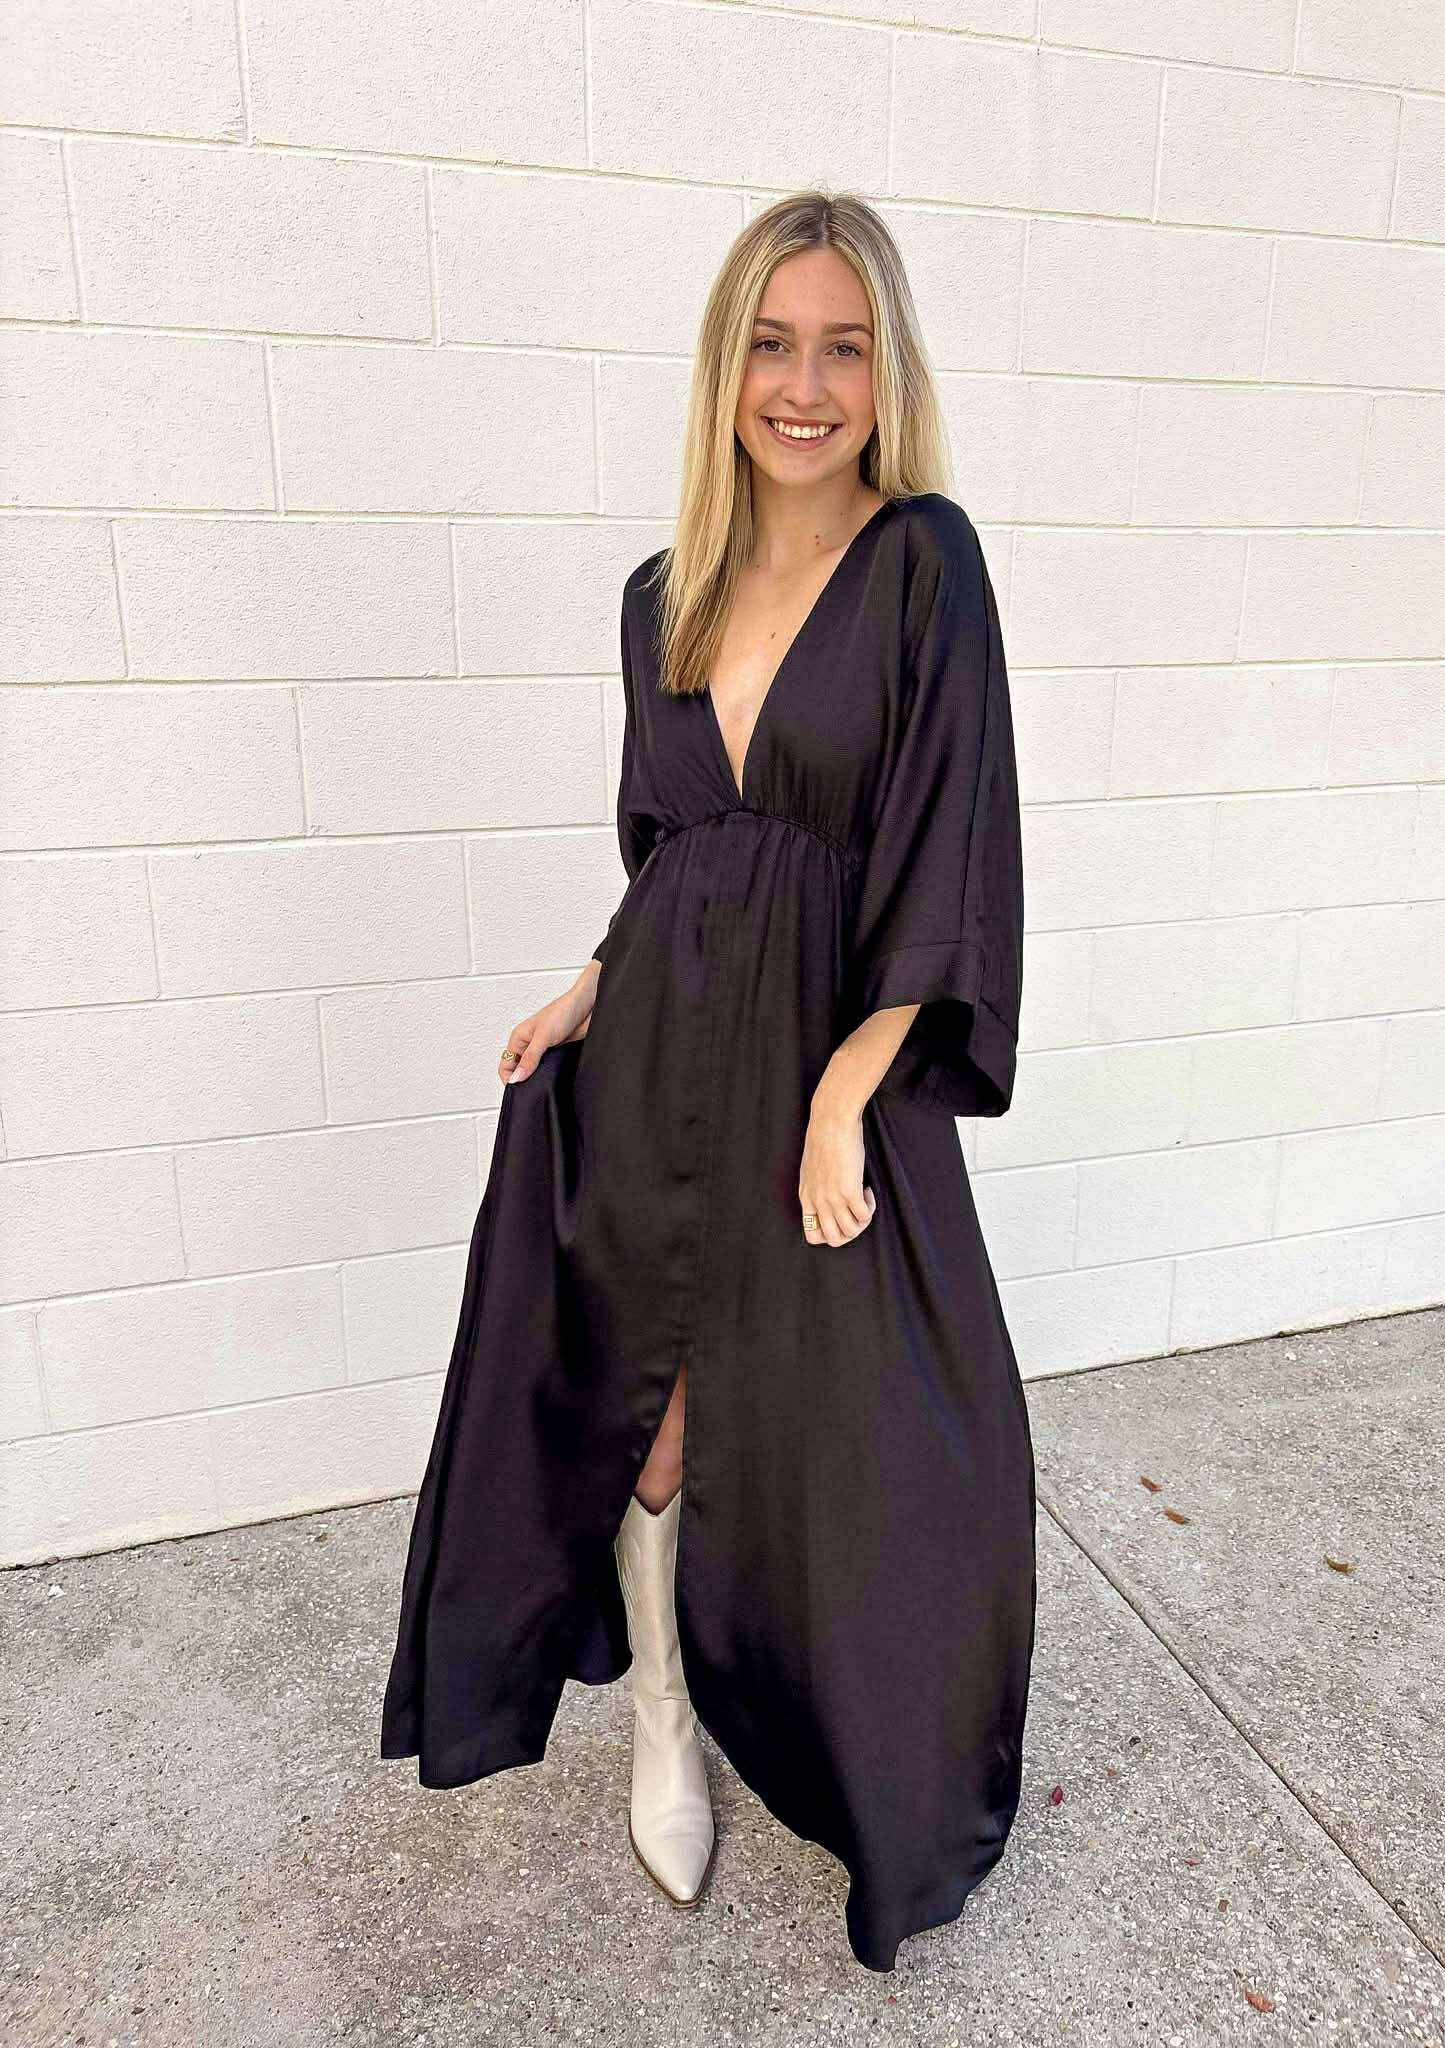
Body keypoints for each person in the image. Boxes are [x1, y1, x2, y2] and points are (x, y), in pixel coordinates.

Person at [381, 187, 1038, 1975]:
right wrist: (587, 987)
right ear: (724, 365)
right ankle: (664, 1714)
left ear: (887, 372)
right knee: (654, 1392)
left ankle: (863, 1738)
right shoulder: (659, 593)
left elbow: (952, 844)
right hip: (662, 1041)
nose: (803, 387)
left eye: (843, 348)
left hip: (832, 1053)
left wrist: (848, 1092)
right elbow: (674, 849)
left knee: (883, 1419)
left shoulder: (925, 563)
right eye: (772, 344)